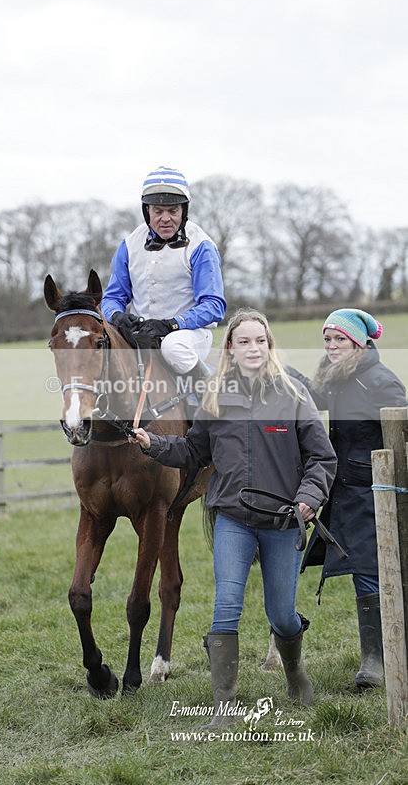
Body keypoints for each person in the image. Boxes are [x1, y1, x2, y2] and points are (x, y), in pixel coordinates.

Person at [129, 308, 337, 726]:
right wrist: (154, 443)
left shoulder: (293, 394)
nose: (253, 348)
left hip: (283, 520)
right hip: (232, 519)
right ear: (230, 348)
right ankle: (224, 706)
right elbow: (193, 451)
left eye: (260, 340)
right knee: (226, 605)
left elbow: (321, 457)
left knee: (281, 614)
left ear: (269, 344)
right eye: (244, 341)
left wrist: (309, 498)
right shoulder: (214, 396)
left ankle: (295, 670)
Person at [287, 308, 407, 690]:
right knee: (362, 569)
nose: (332, 346)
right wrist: (279, 369)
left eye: (340, 339)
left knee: (371, 570)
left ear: (358, 342)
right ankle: (377, 656)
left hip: (377, 492)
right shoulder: (339, 377)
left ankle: (376, 660)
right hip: (347, 491)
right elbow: (315, 396)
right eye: (327, 339)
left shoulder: (381, 382)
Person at [100, 166, 226, 387]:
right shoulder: (129, 245)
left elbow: (214, 306)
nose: (165, 219)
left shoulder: (201, 246)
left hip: (189, 335)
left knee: (173, 346)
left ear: (184, 210)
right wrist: (116, 316)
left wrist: (172, 325)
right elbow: (112, 297)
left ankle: (213, 394)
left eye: (173, 211)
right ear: (146, 210)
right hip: (141, 334)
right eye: (158, 211)